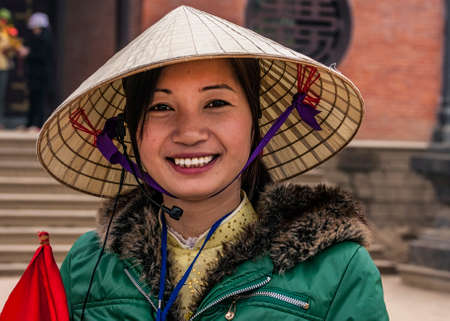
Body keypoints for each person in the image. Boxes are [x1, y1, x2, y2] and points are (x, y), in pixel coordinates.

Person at [37, 6, 389, 321]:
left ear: (257, 123)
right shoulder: (87, 264)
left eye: (216, 103)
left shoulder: (338, 270)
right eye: (160, 107)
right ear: (130, 135)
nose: (189, 133)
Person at [23, 12, 53, 131]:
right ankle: (30, 123)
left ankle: (39, 123)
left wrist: (28, 53)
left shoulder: (45, 39)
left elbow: (42, 56)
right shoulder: (36, 38)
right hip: (34, 74)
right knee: (33, 98)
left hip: (41, 75)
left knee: (40, 99)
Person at [0, 8, 23, 129]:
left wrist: (11, 49)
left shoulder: (9, 32)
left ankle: (0, 121)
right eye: (1, 19)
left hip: (3, 66)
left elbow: (13, 48)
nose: (3, 21)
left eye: (5, 20)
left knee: (1, 95)